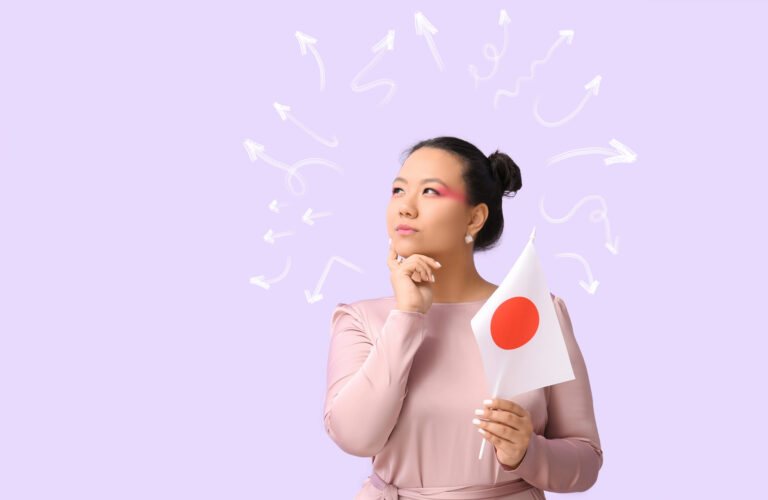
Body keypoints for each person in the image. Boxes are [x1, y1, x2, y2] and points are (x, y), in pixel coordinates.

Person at [322, 136, 603, 499]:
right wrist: (407, 315)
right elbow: (355, 437)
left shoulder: (533, 311)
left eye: (430, 192)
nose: (404, 208)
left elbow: (585, 461)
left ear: (474, 217)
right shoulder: (360, 319)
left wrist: (528, 453)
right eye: (397, 190)